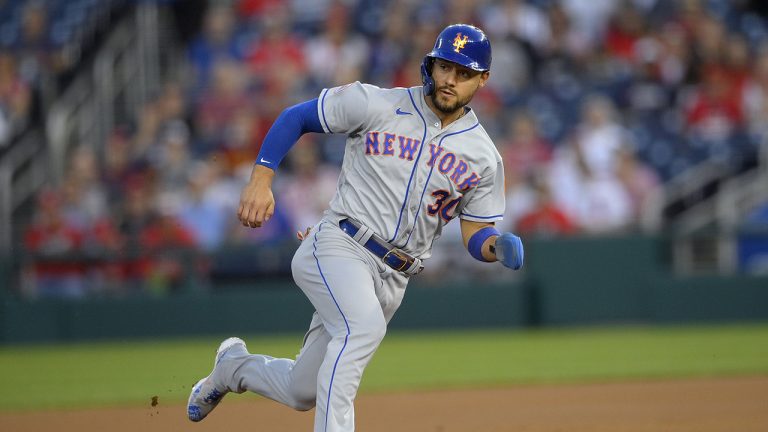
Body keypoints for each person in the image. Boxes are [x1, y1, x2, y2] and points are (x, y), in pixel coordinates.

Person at [186, 23, 524, 432]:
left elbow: (476, 232)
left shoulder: (484, 156)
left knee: (301, 390)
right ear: (430, 65)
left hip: (394, 278)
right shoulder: (376, 104)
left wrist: (495, 247)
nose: (450, 79)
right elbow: (298, 117)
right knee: (362, 328)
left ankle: (231, 368)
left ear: (483, 79)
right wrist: (261, 177)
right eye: (444, 67)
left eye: (464, 72)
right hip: (340, 244)